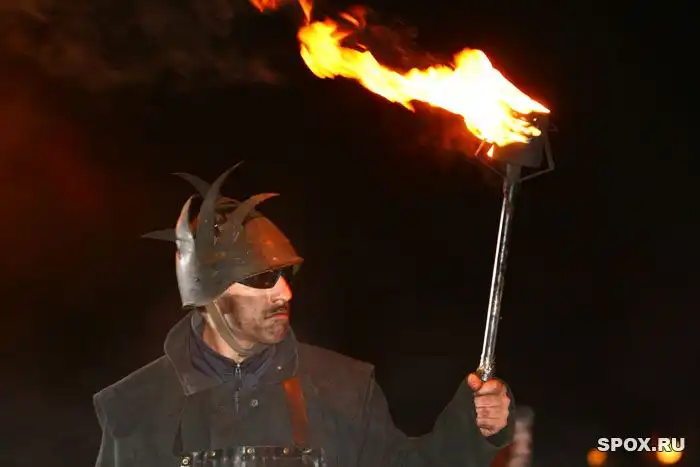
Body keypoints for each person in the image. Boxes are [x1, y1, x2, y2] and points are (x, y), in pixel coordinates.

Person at [93, 164, 516, 467]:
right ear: (210, 293)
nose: (284, 292)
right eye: (262, 278)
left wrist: (472, 429)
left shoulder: (344, 388)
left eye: (285, 275)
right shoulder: (134, 406)